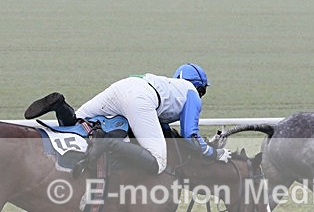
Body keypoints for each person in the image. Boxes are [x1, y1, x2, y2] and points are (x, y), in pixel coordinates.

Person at [24, 63, 231, 174]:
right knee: (158, 163)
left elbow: (163, 130)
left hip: (124, 86)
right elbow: (190, 135)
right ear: (199, 86)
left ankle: (60, 105)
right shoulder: (191, 93)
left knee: (77, 123)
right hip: (140, 99)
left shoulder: (168, 84)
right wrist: (214, 153)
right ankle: (108, 142)